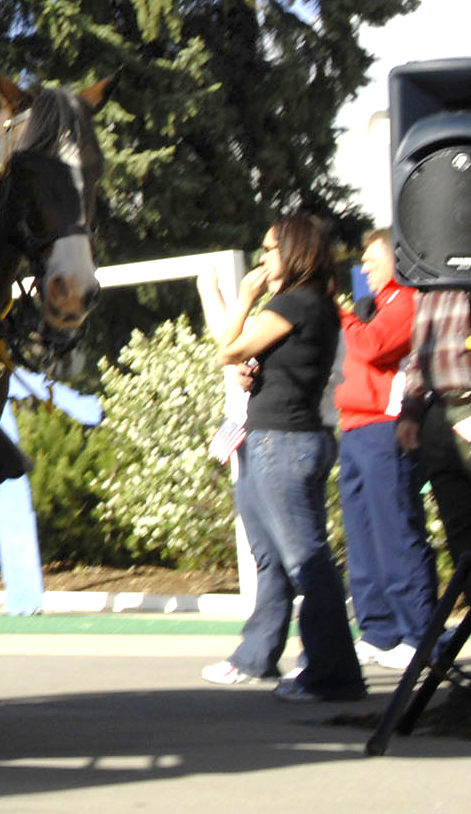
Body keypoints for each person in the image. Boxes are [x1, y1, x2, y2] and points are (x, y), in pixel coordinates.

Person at [201, 214, 366, 701]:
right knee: (273, 555)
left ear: (293, 252)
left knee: (307, 561)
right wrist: (259, 376)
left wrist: (243, 299)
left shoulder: (296, 301)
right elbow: (265, 364)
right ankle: (258, 656)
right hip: (277, 436)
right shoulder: (309, 305)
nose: (263, 258)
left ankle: (333, 673)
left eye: (270, 249)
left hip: (283, 443)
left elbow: (226, 351)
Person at [336, 229, 436, 670]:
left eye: (373, 259)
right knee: (361, 536)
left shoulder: (406, 300)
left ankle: (419, 632)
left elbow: (373, 347)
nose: (364, 269)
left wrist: (341, 315)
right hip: (355, 428)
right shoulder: (375, 307)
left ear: (397, 259)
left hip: (385, 429)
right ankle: (379, 630)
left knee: (395, 532)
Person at [394, 259, 471, 578]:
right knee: (458, 525)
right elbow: (417, 359)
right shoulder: (426, 289)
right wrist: (410, 412)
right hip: (438, 410)